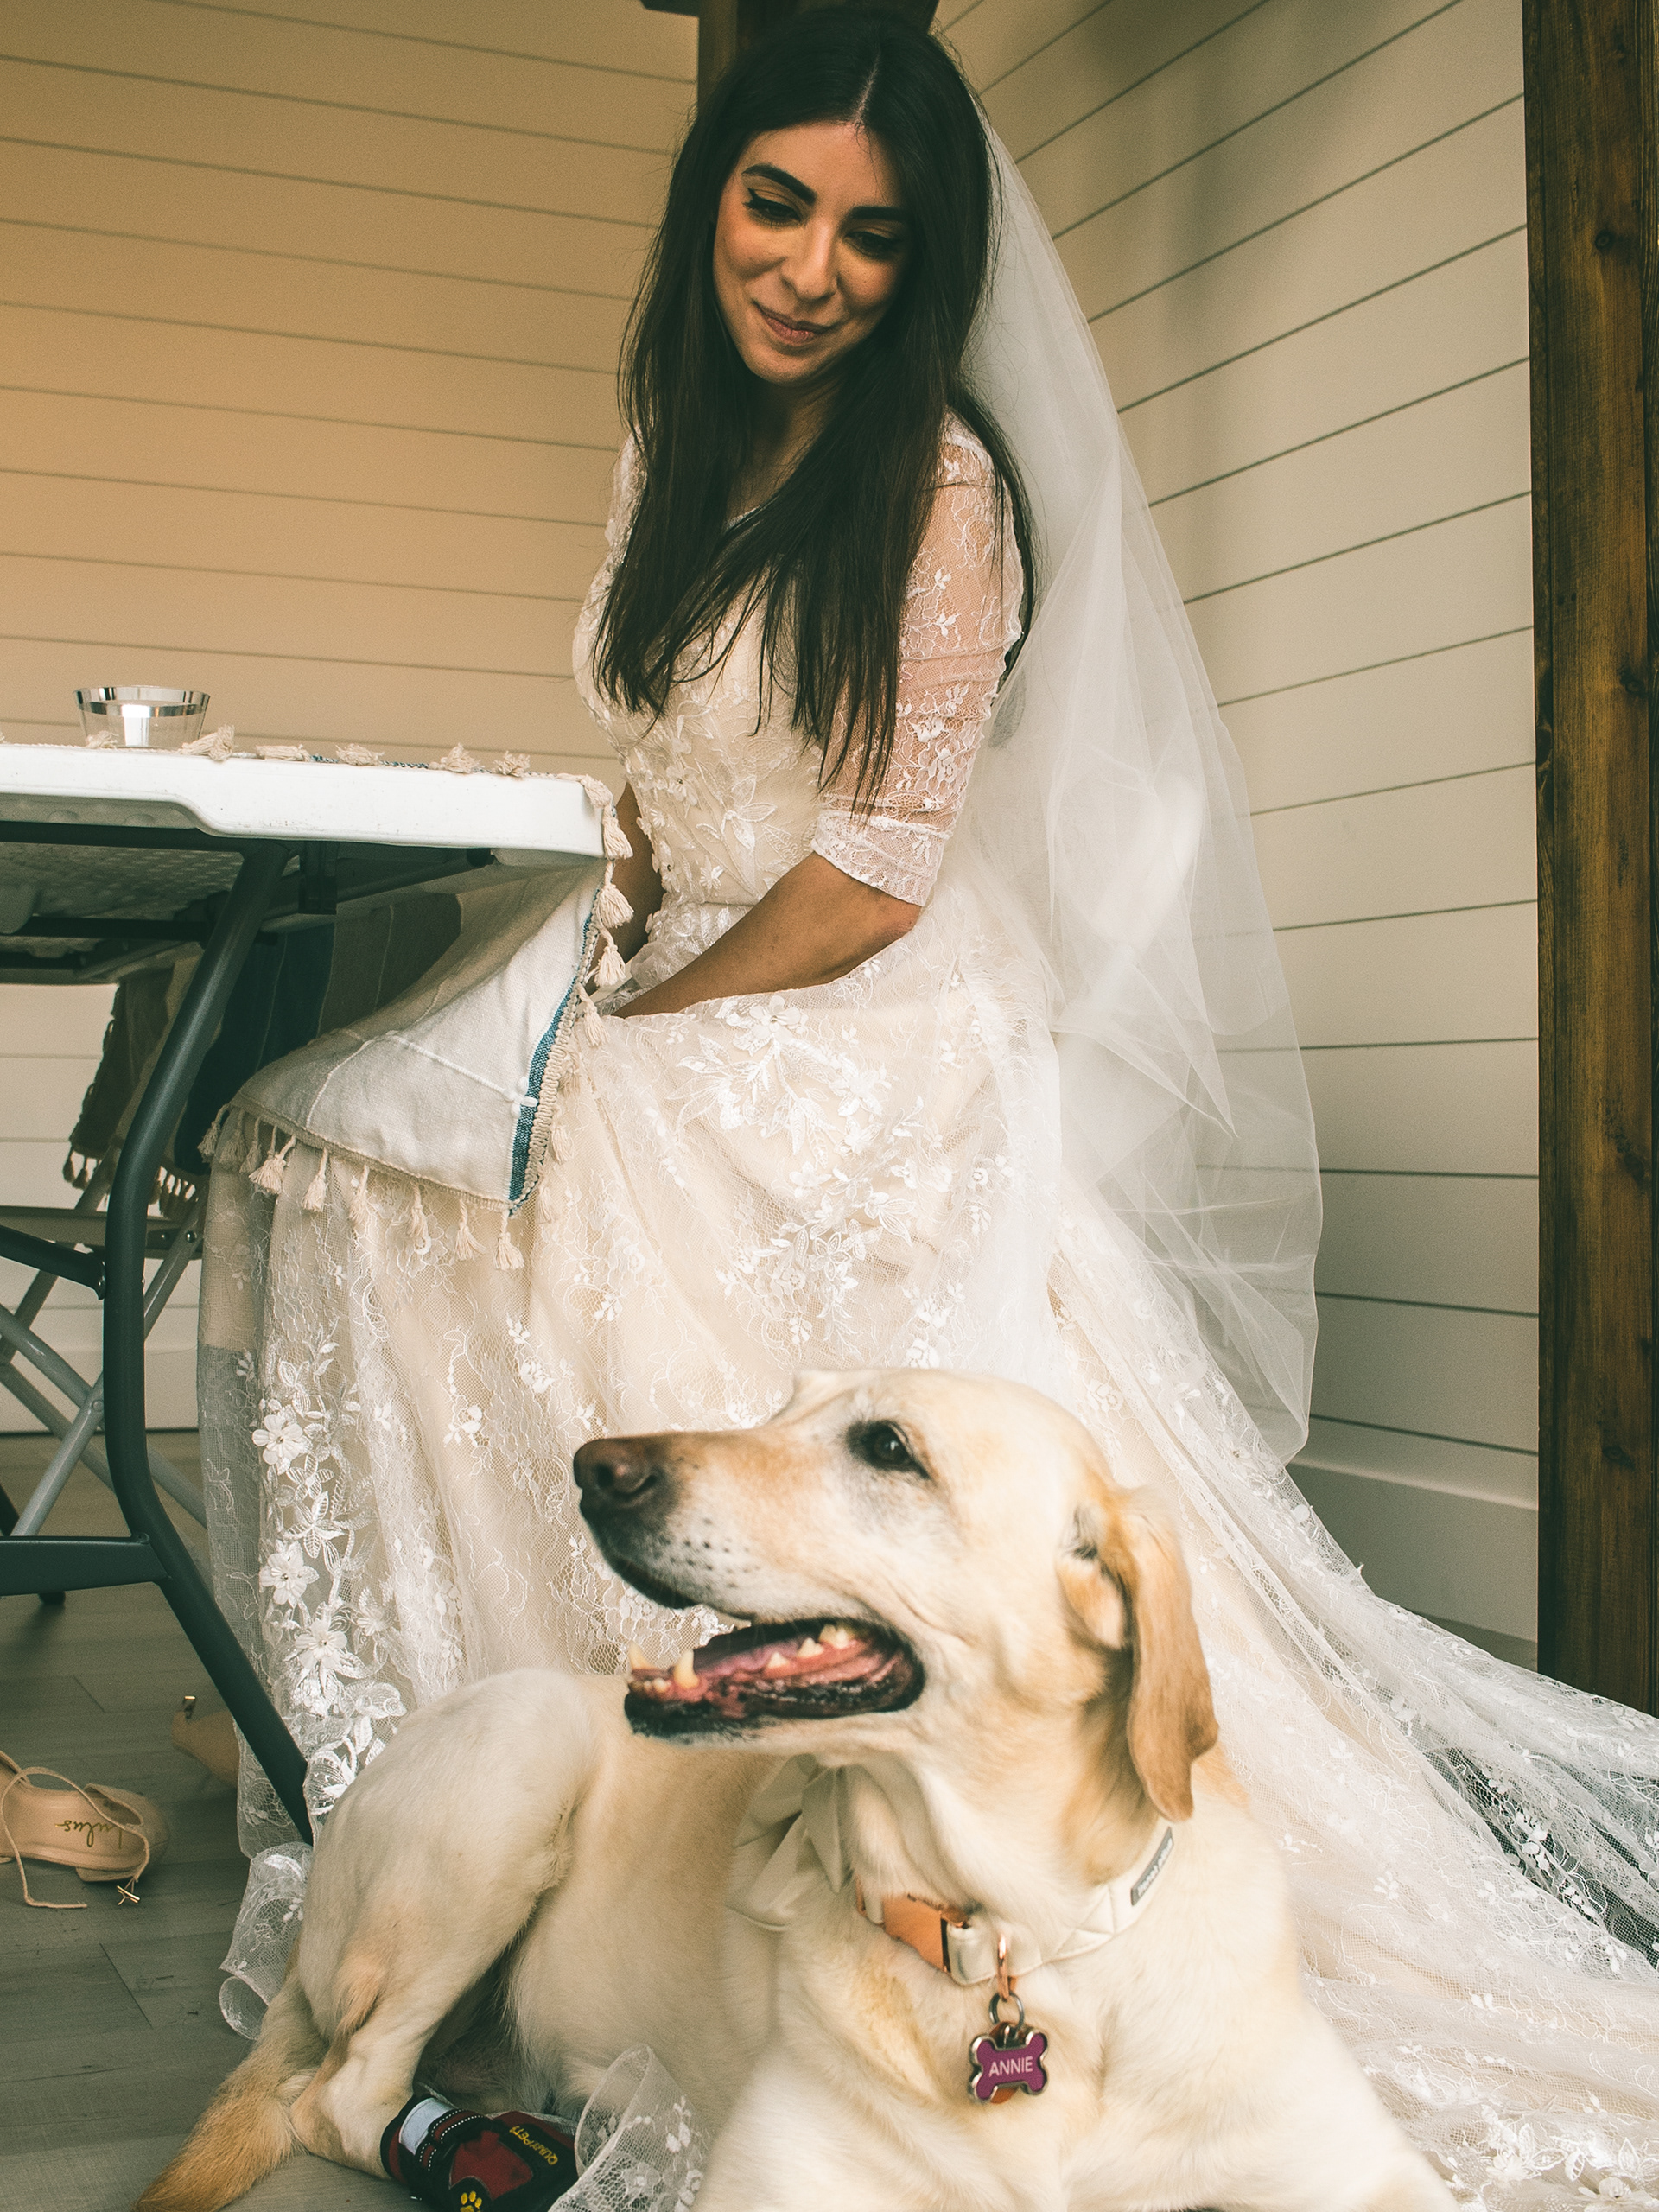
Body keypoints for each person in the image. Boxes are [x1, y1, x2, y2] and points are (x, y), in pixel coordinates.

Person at [198, 10, 1659, 2198]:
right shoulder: (676, 450)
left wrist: (648, 1009)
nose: (808, 267)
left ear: (929, 268)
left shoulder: (938, 480)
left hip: (842, 996)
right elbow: (667, 775)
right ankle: (522, 1784)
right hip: (690, 944)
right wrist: (593, 949)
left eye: (872, 238)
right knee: (334, 1137)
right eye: (774, 204)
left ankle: (761, 1771)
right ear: (711, 203)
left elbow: (880, 860)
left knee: (514, 1168)